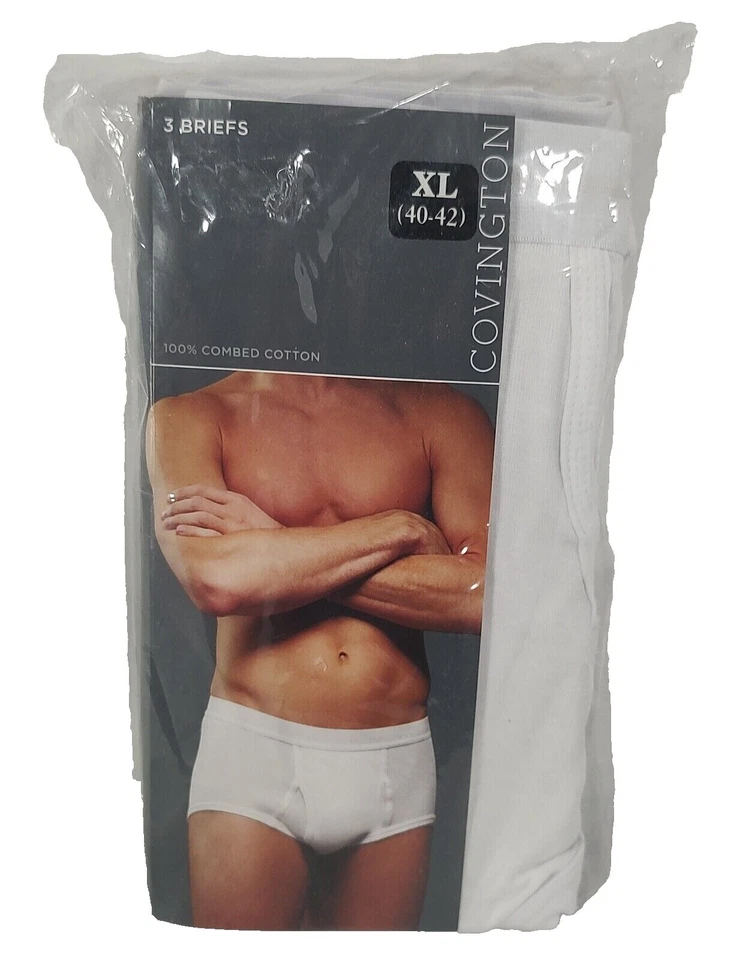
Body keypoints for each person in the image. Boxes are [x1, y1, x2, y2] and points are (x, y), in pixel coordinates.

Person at [146, 371, 493, 930]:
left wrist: (271, 542)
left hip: (392, 757)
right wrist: (401, 528)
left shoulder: (443, 413)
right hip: (255, 749)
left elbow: (483, 596)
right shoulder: (189, 415)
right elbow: (217, 581)